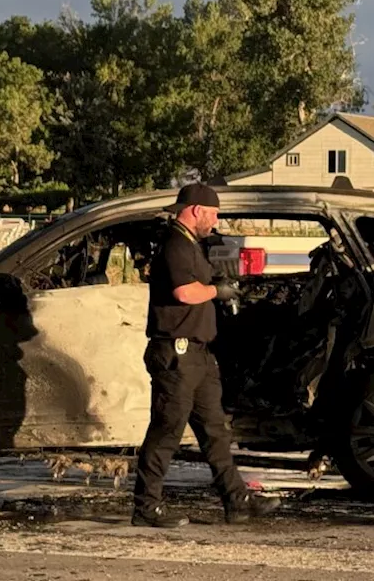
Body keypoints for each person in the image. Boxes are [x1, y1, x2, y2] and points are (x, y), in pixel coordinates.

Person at [133, 183, 281, 528]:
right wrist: (217, 290)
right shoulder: (174, 245)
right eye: (213, 214)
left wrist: (224, 283)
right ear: (196, 210)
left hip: (198, 354)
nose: (215, 221)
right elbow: (184, 292)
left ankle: (237, 499)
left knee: (215, 430)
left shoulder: (190, 245)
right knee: (166, 431)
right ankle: (146, 506)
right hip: (176, 352)